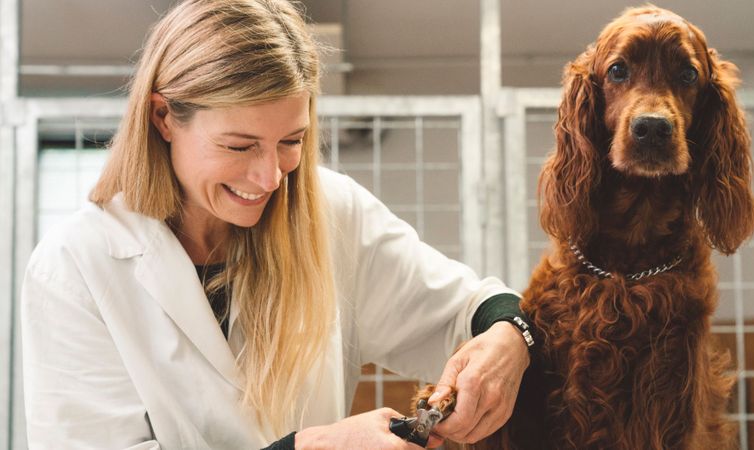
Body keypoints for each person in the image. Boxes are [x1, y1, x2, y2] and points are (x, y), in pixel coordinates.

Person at [21, 0, 532, 448]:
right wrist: (308, 449)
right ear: (163, 118)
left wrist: (510, 335)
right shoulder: (76, 266)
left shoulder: (334, 213)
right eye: (239, 146)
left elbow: (460, 310)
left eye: (292, 141)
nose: (269, 177)